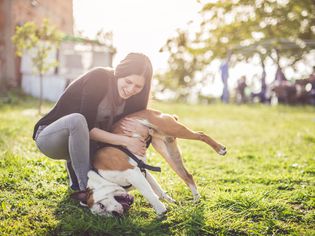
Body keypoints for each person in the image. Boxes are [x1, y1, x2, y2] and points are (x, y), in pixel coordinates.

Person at [32, 52, 153, 194]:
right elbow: (87, 126)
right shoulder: (99, 78)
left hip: (87, 144)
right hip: (52, 138)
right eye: (128, 81)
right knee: (78, 120)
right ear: (119, 72)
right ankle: (87, 189)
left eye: (138, 86)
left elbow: (124, 132)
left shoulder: (135, 99)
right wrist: (125, 140)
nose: (131, 89)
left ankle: (77, 171)